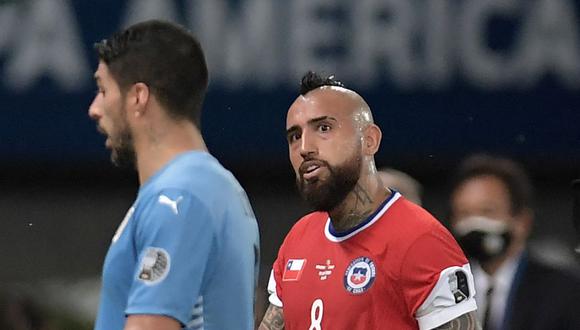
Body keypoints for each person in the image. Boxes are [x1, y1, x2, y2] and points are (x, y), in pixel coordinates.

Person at [259, 72, 480, 329]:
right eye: (294, 136)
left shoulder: (422, 241)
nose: (305, 147)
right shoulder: (298, 239)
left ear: (370, 140)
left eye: (324, 128)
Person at [89, 20, 260, 330]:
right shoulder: (207, 187)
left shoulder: (181, 196)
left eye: (103, 90)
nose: (94, 108)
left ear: (138, 96)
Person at [448, 154, 580, 330]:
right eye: (463, 213)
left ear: (522, 222)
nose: (473, 224)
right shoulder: (442, 290)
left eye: (488, 211)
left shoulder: (565, 292)